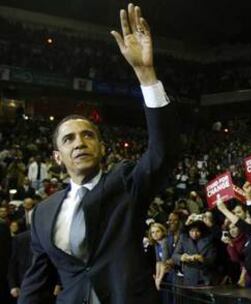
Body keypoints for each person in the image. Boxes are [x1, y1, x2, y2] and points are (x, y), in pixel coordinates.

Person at [18, 4, 180, 304]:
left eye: (88, 135)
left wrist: (146, 75)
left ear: (102, 147)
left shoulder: (127, 183)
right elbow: (36, 284)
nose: (79, 142)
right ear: (57, 157)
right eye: (69, 139)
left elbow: (164, 152)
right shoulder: (41, 213)